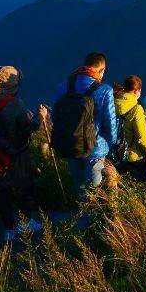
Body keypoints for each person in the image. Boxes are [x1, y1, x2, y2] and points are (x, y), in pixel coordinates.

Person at [0, 66, 47, 242]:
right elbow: (27, 129)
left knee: (2, 191)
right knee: (25, 187)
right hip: (16, 153)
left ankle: (9, 228)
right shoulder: (14, 104)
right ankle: (26, 222)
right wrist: (40, 116)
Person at [52, 52, 117, 199]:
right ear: (102, 70)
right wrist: (112, 142)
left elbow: (55, 115)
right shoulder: (105, 91)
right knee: (95, 192)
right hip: (95, 148)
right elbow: (110, 122)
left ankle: (83, 217)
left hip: (71, 145)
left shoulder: (63, 87)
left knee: (80, 190)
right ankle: (96, 218)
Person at [114, 75, 146, 182]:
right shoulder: (136, 109)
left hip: (113, 154)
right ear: (136, 91)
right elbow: (142, 137)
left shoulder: (112, 103)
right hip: (132, 157)